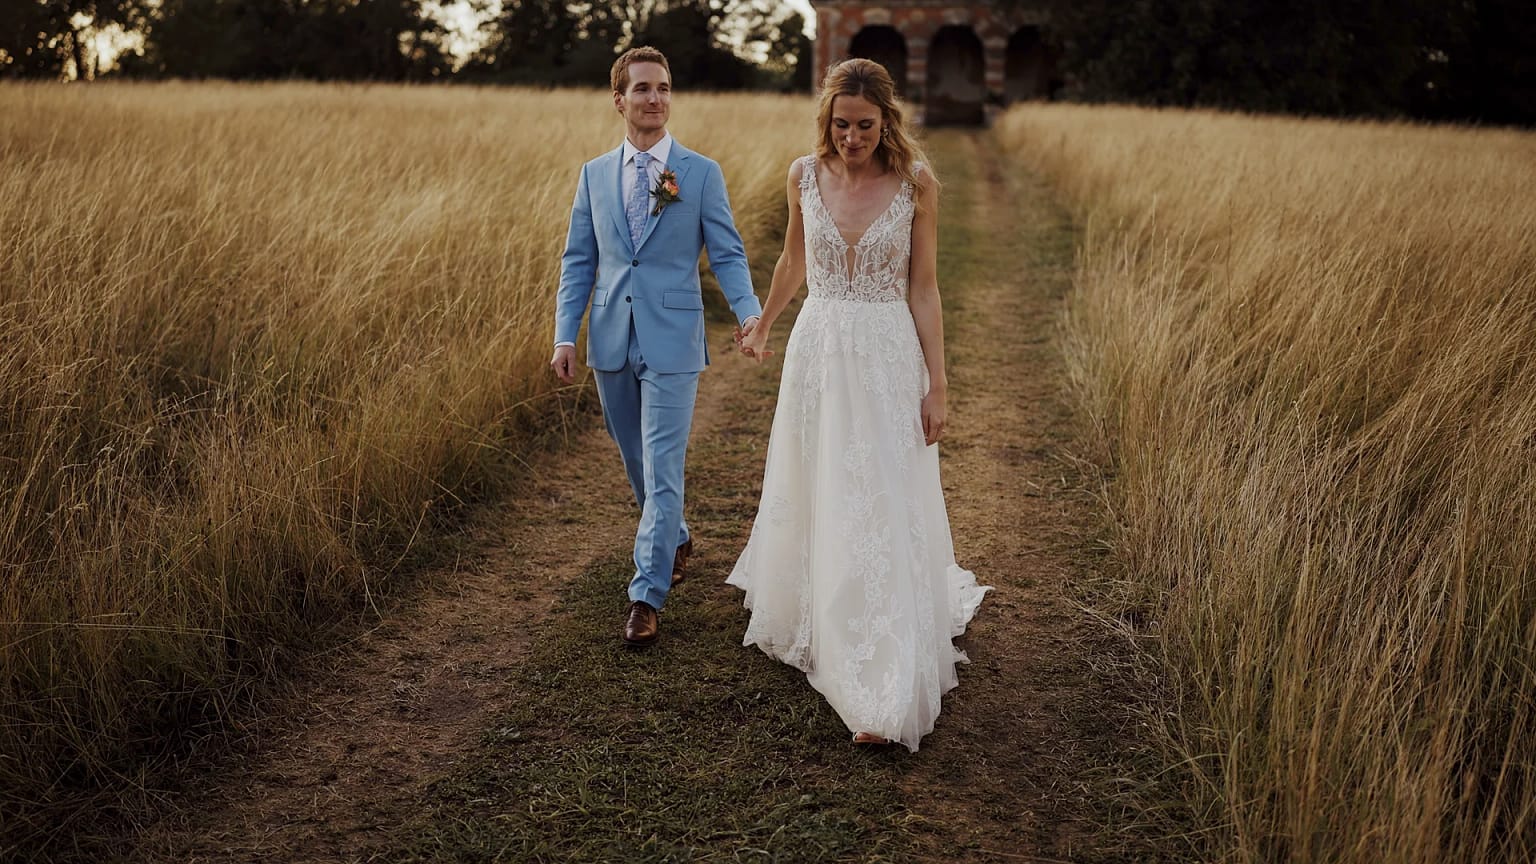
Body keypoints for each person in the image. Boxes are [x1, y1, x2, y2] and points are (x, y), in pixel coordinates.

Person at [728, 58, 991, 750]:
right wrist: (764, 322)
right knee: (823, 482)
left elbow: (925, 290)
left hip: (884, 356)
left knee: (876, 491)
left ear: (887, 120)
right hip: (817, 352)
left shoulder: (916, 183)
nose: (852, 138)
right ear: (827, 121)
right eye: (841, 125)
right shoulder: (802, 176)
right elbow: (792, 263)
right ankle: (818, 600)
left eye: (865, 125)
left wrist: (939, 383)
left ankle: (879, 660)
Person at [552, 46, 762, 648]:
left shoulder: (699, 173)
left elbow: (726, 252)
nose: (656, 99)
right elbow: (579, 261)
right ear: (619, 100)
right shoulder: (594, 174)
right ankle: (676, 535)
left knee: (664, 465)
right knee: (637, 464)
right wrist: (566, 333)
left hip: (673, 339)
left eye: (665, 88)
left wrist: (747, 313)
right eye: (643, 89)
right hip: (610, 339)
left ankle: (646, 596)